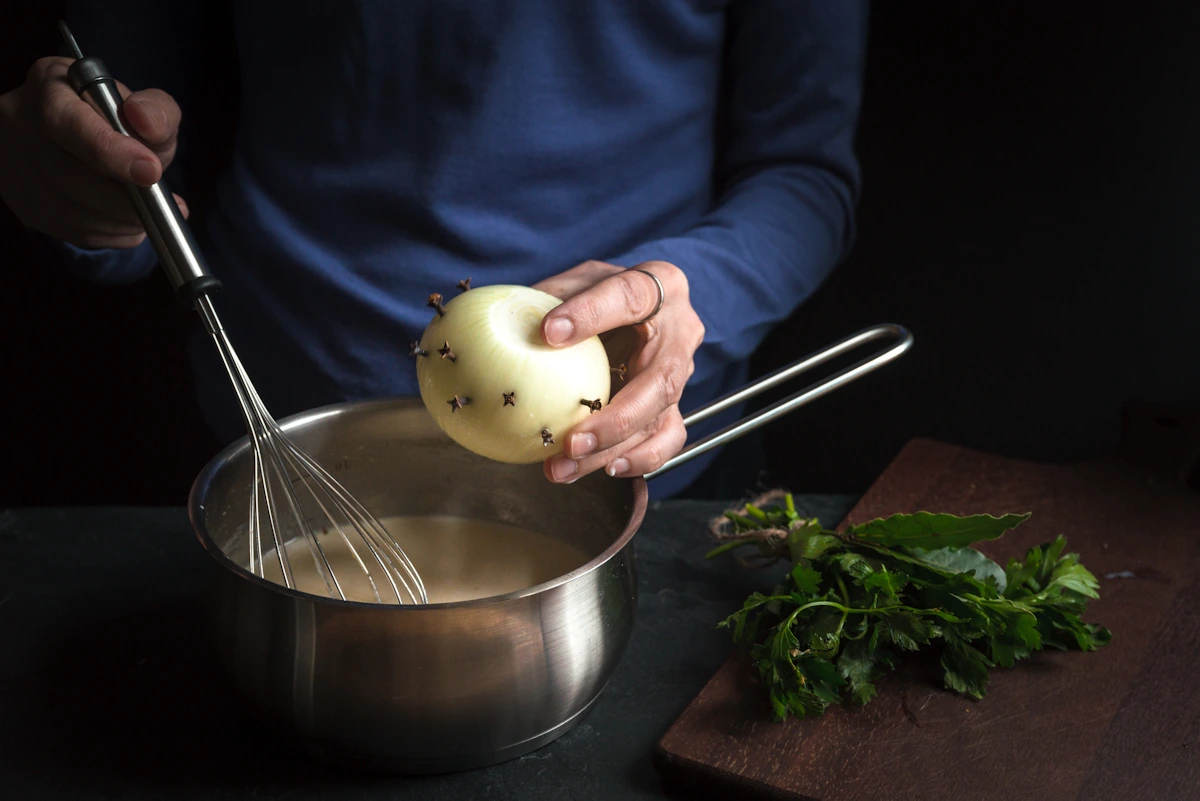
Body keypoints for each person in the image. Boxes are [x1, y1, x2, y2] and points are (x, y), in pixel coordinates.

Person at [0, 2, 867, 499]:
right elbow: (131, 150)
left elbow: (804, 177)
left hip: (653, 471)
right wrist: (89, 199)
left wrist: (684, 289)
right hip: (277, 444)